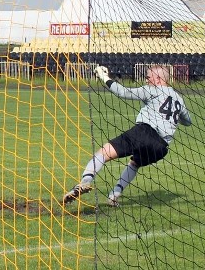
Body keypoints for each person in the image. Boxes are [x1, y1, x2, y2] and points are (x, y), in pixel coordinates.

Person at [63, 65, 192, 207]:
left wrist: (104, 77)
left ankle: (85, 182)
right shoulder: (179, 98)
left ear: (158, 78)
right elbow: (188, 121)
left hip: (144, 133)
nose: (146, 80)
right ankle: (114, 196)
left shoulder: (152, 90)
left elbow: (123, 92)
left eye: (148, 77)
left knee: (103, 152)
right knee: (134, 163)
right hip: (161, 148)